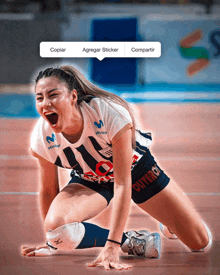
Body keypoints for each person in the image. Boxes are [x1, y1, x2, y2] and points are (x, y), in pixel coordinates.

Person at [21, 66, 212, 271]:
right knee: (59, 232)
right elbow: (49, 190)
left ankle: (169, 223)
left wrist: (111, 248)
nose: (45, 103)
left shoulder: (108, 113)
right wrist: (52, 242)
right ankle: (132, 241)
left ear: (73, 96)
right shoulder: (42, 137)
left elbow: (122, 183)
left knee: (199, 242)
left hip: (136, 171)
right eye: (39, 98)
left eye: (53, 95)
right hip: (90, 178)